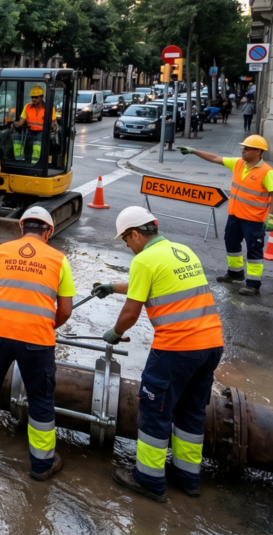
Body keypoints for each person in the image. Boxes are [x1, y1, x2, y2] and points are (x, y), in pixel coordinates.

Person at [91, 206, 223, 502]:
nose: (127, 246)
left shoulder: (144, 260)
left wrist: (113, 334)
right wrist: (113, 287)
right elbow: (155, 285)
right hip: (210, 345)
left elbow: (130, 313)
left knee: (154, 410)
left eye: (126, 240)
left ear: (136, 234)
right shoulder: (182, 251)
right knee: (191, 410)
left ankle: (149, 479)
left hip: (176, 349)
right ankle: (187, 477)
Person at [0, 206, 74, 481]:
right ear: (48, 232)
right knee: (40, 399)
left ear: (21, 227)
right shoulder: (59, 260)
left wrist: (0, 316)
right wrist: (45, 325)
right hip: (37, 340)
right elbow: (65, 311)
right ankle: (41, 464)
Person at [179, 136, 273, 296]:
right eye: (243, 147)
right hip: (235, 216)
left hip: (253, 220)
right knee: (231, 245)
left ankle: (253, 284)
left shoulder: (267, 172)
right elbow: (215, 158)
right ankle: (235, 273)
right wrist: (194, 151)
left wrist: (271, 217)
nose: (243, 150)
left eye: (247, 148)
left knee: (254, 251)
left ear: (258, 151)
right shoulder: (239, 163)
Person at [12, 86, 51, 165]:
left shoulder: (49, 108)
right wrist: (15, 124)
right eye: (32, 97)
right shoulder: (27, 107)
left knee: (37, 142)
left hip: (43, 132)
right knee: (17, 138)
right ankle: (19, 160)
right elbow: (21, 122)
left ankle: (34, 163)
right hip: (30, 131)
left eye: (36, 97)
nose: (33, 99)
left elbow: (53, 122)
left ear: (42, 97)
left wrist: (54, 125)